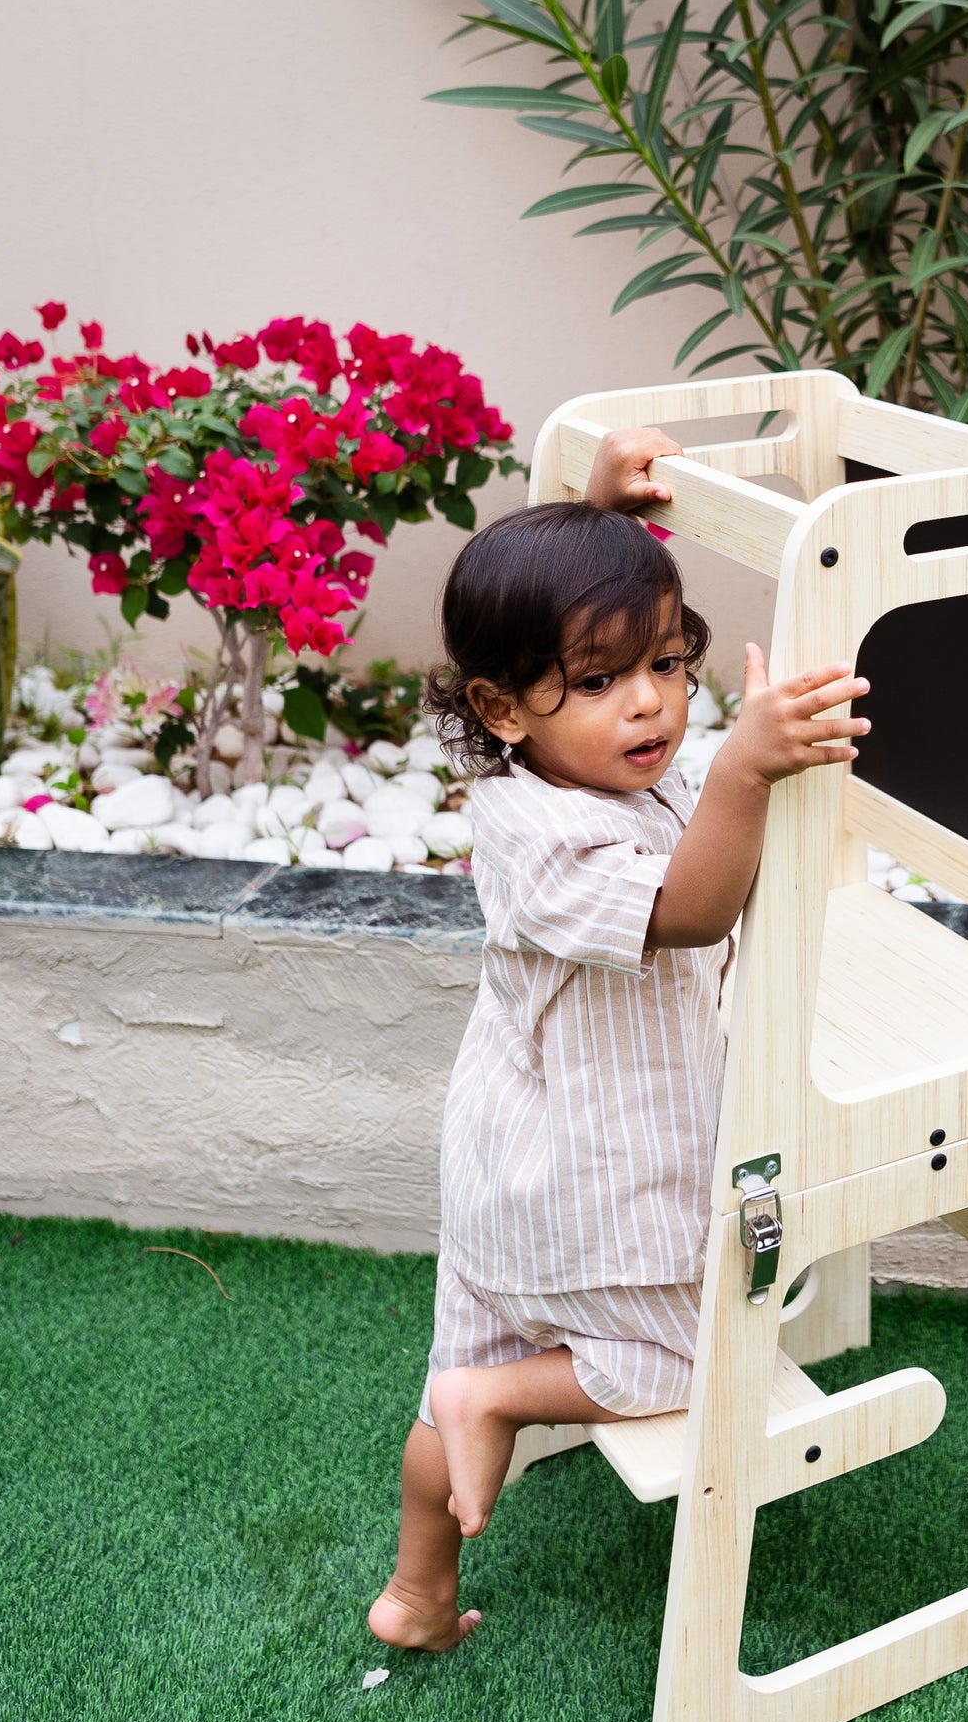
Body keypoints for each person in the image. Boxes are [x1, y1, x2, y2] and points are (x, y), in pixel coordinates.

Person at [369, 428, 870, 1651]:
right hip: (586, 1180)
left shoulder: (579, 774)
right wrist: (744, 769)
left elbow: (562, 605)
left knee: (456, 1356)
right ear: (501, 710)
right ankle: (501, 1400)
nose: (647, 701)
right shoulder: (540, 836)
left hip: (506, 1158)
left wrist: (600, 515)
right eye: (596, 683)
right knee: (699, 1356)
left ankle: (417, 1593)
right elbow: (691, 908)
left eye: (664, 662)